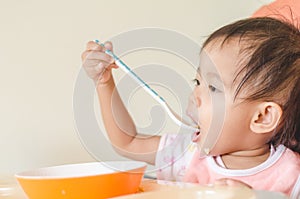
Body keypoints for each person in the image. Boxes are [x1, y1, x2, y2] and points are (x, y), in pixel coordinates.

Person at [81, 17, 300, 198]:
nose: (195, 95)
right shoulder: (186, 155)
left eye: (213, 88)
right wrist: (104, 82)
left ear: (262, 117)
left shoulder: (292, 175)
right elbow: (126, 142)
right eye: (197, 82)